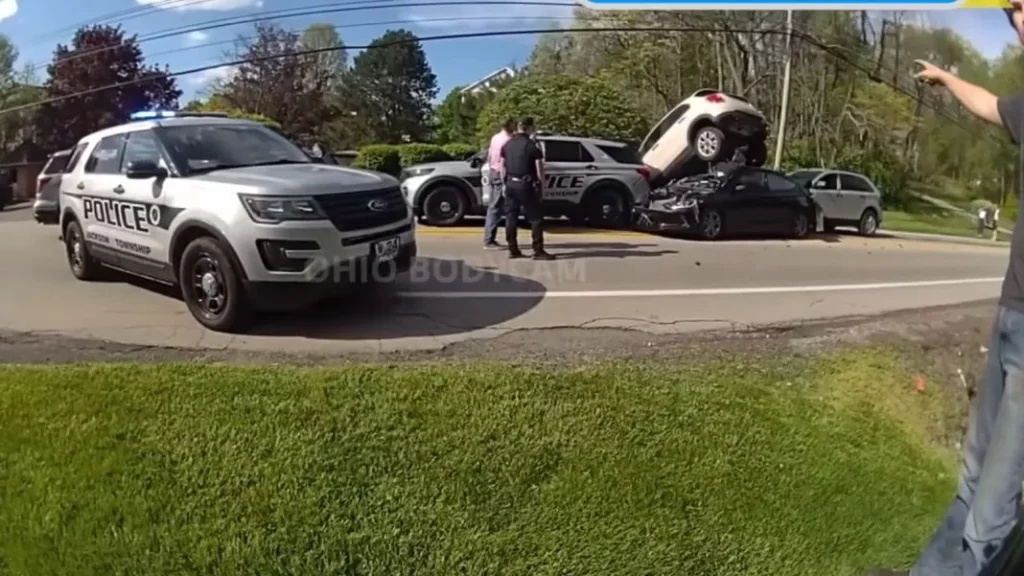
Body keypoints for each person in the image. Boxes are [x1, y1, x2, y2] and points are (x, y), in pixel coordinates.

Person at [867, 5, 1024, 575]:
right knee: (975, 479)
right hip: (1011, 315)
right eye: (1013, 14)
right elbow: (990, 105)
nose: (1020, 23)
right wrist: (945, 77)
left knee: (993, 508)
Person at [500, 116, 554, 260]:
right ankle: (538, 251)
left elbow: (502, 166)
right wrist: (541, 184)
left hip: (510, 184)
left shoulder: (507, 145)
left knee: (511, 217)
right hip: (526, 185)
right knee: (535, 218)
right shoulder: (531, 146)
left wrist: (504, 184)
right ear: (529, 128)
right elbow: (539, 168)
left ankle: (513, 249)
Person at [483, 118, 515, 250]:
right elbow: (503, 162)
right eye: (513, 124)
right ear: (509, 125)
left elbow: (490, 155)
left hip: (493, 171)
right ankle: (489, 240)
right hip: (501, 174)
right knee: (496, 207)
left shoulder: (495, 137)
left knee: (494, 206)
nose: (515, 126)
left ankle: (491, 238)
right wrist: (504, 181)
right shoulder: (507, 141)